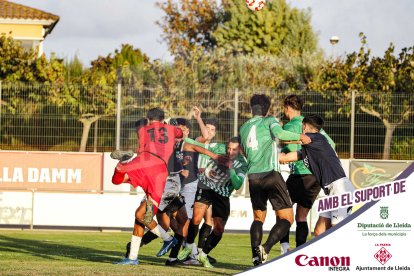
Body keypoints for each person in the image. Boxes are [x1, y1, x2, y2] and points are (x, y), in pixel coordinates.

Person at [239, 94, 311, 266]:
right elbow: (281, 135)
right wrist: (301, 137)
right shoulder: (269, 120)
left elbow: (243, 151)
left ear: (251, 108)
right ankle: (266, 247)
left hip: (253, 176)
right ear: (268, 109)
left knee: (258, 218)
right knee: (287, 218)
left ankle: (256, 257)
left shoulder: (243, 128)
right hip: (271, 174)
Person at [111, 108, 183, 265]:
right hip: (159, 173)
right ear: (162, 119)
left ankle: (122, 164)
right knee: (142, 215)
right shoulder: (170, 129)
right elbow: (180, 134)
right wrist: (169, 127)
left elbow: (145, 144)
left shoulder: (143, 130)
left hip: (142, 163)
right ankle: (165, 240)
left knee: (120, 183)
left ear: (148, 119)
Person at [279, 114, 355, 236]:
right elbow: (286, 157)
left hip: (340, 189)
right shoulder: (312, 147)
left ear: (304, 127)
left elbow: (286, 138)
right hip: (331, 191)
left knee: (338, 232)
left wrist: (273, 135)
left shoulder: (316, 138)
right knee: (319, 232)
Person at [177, 136, 247, 268]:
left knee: (219, 229)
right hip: (206, 186)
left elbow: (237, 185)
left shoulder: (242, 164)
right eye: (228, 148)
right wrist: (213, 155)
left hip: (222, 194)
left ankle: (203, 255)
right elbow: (192, 144)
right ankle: (189, 245)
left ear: (240, 150)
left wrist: (231, 168)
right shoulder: (218, 148)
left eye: (234, 150)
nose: (229, 152)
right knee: (196, 219)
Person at [279, 95, 335, 253]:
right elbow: (331, 143)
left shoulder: (289, 126)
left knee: (283, 212)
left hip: (299, 175)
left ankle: (284, 249)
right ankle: (300, 252)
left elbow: (290, 149)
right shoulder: (311, 124)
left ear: (288, 108)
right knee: (301, 217)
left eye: (284, 108)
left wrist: (285, 151)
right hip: (314, 177)